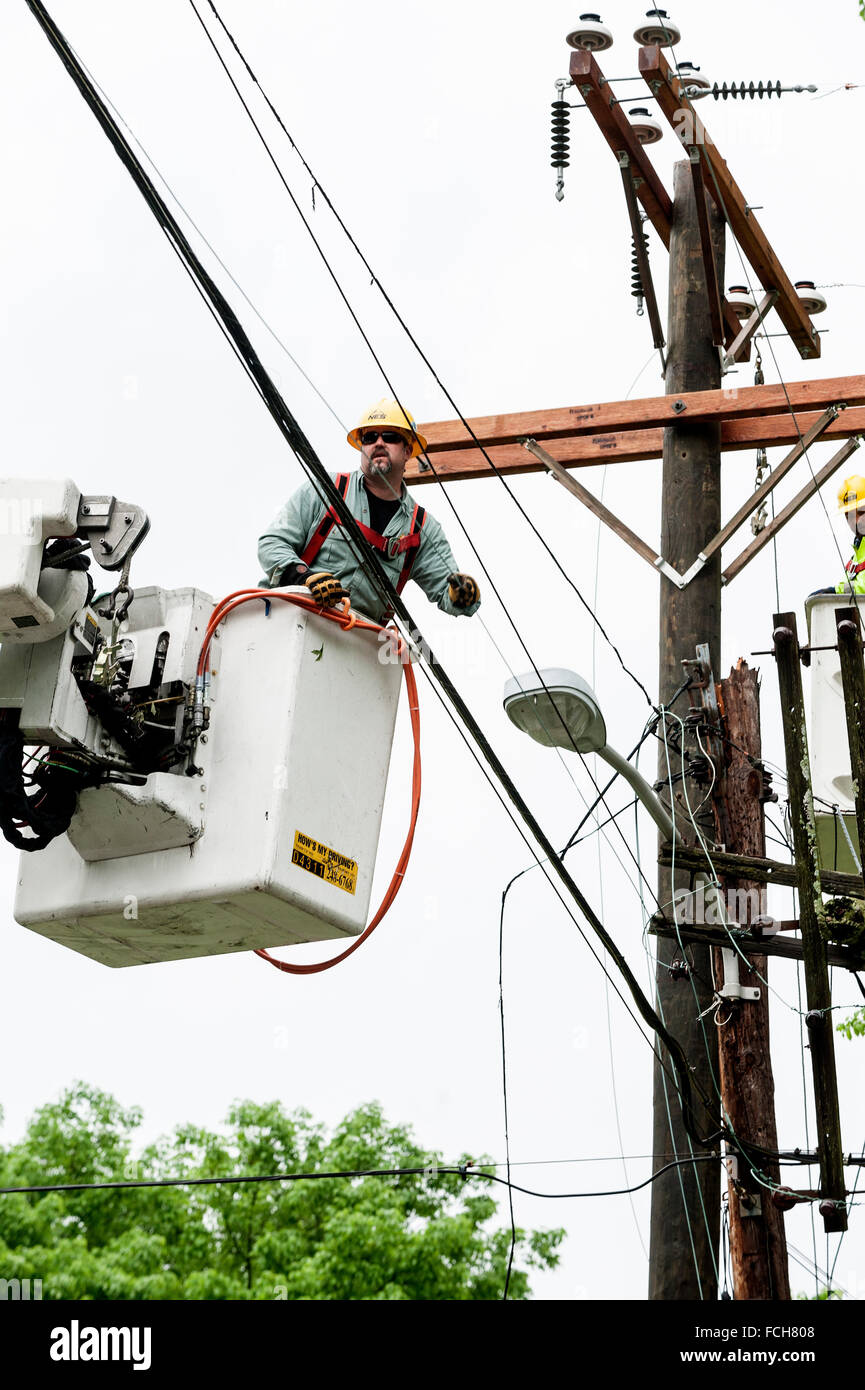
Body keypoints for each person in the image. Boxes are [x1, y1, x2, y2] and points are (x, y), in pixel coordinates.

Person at [258, 398, 481, 623]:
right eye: (370, 437)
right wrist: (304, 577)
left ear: (407, 451)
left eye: (390, 436)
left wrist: (462, 595)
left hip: (356, 643)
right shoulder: (325, 490)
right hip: (287, 620)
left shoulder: (421, 529)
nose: (379, 443)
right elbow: (272, 543)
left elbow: (447, 591)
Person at [835, 474, 865, 596]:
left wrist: (837, 591)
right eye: (850, 515)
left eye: (861, 511)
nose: (856, 520)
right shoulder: (855, 561)